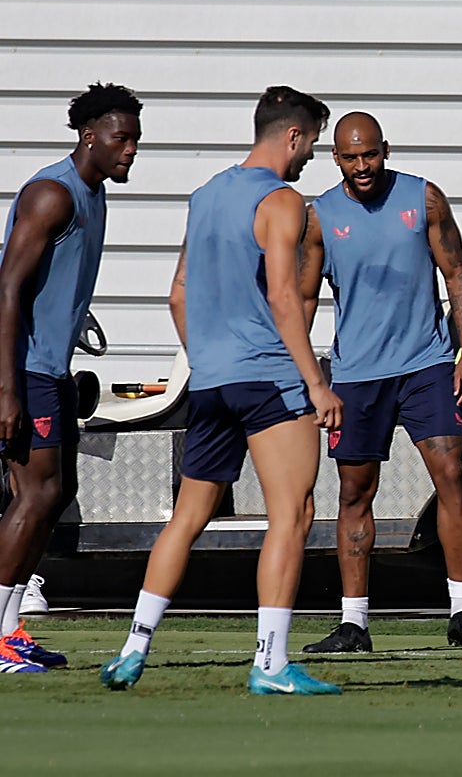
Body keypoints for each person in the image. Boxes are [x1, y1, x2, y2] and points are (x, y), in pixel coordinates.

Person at [100, 86, 344, 695]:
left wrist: (207, 357)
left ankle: (133, 648)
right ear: (293, 135)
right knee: (293, 514)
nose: (312, 153)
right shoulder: (284, 201)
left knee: (187, 517)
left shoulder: (206, 195)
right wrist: (316, 382)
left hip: (210, 381)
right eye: (312, 140)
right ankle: (270, 663)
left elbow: (178, 293)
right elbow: (286, 299)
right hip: (269, 379)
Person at [301, 112, 462, 654]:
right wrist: (310, 375)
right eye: (350, 157)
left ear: (385, 150)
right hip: (358, 378)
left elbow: (456, 273)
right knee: (354, 493)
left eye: (370, 155)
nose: (362, 166)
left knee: (451, 475)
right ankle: (354, 623)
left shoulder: (424, 199)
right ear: (335, 158)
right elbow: (301, 298)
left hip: (426, 365)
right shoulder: (319, 217)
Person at [0, 83, 142, 674]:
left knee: (57, 495)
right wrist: (6, 390)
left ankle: (10, 630)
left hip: (52, 369)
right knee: (33, 496)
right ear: (90, 136)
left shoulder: (95, 195)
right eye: (121, 139)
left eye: (135, 140)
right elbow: (6, 290)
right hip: (23, 371)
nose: (130, 151)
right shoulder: (51, 194)